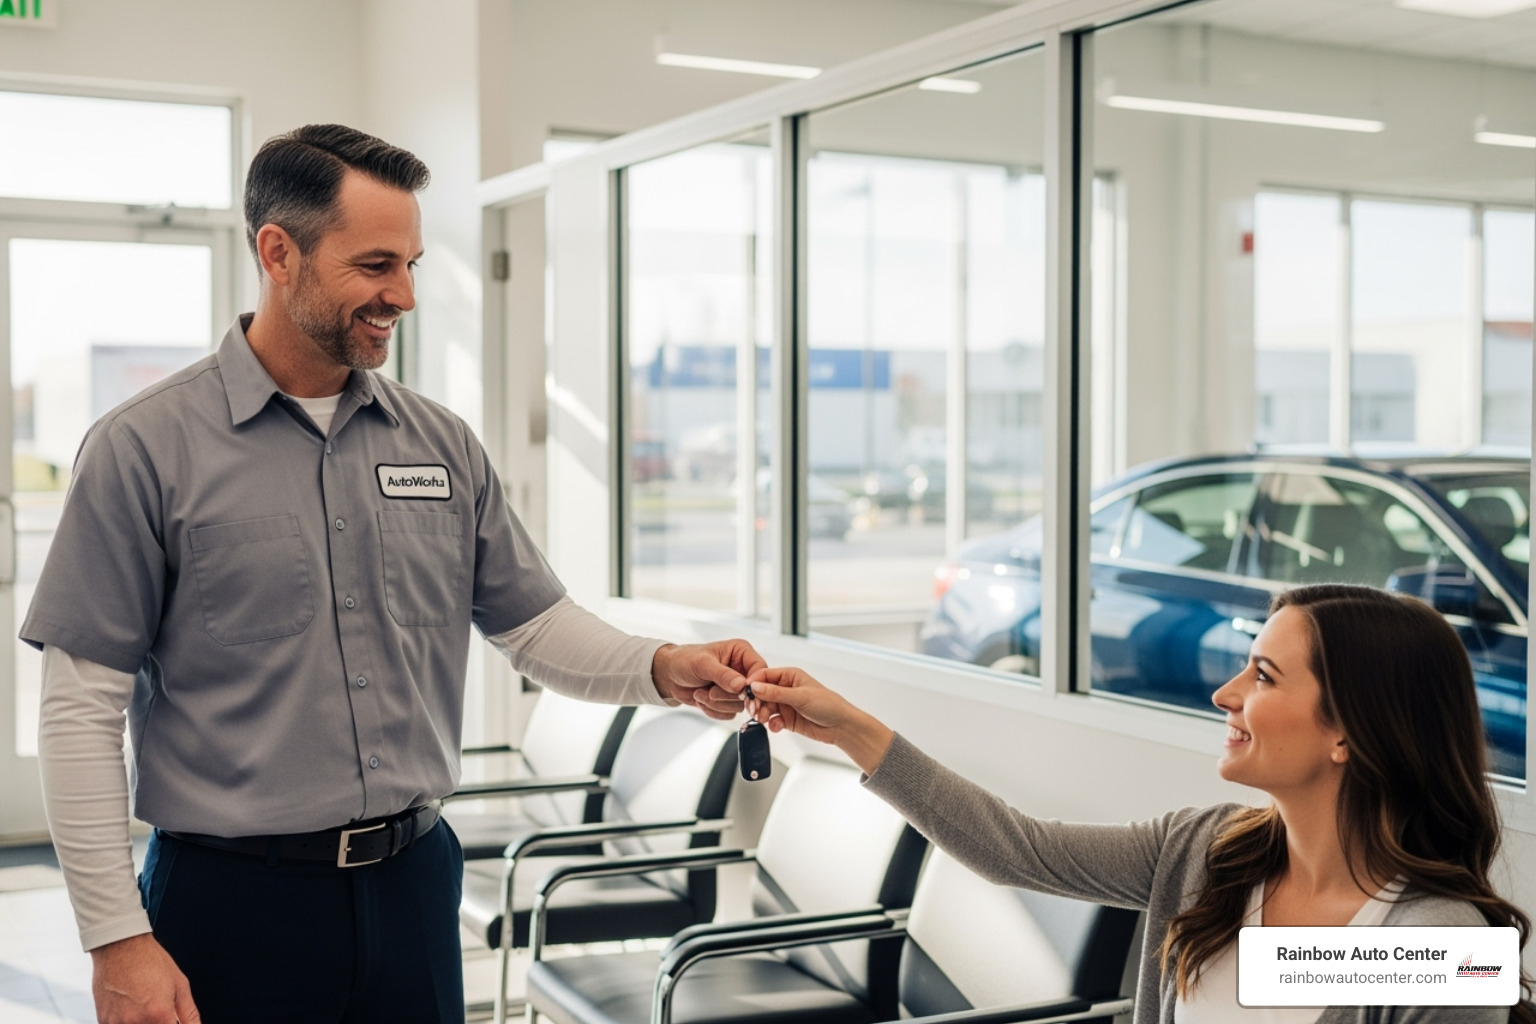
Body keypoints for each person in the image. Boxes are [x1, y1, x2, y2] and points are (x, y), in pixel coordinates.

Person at [23, 124, 761, 1024]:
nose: (403, 294)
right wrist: (115, 938)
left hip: (412, 889)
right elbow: (78, 711)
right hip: (229, 905)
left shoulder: (441, 444)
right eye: (376, 264)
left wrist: (664, 667)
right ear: (278, 252)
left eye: (410, 263)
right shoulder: (144, 448)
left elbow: (531, 626)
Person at [741, 584, 1534, 1024]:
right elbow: (1013, 848)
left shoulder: (1439, 945)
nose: (1226, 695)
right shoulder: (1205, 850)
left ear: (1349, 734)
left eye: (1263, 677)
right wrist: (850, 728)